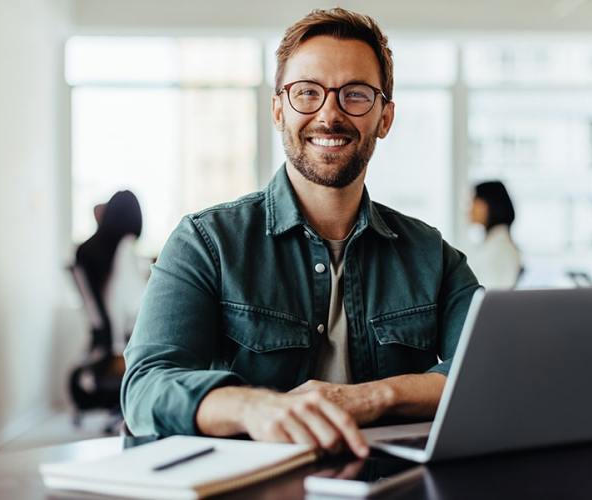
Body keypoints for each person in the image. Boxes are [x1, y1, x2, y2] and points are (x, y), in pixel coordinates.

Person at [121, 8, 480, 457]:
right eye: (307, 93)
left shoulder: (433, 256)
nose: (329, 114)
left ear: (384, 118)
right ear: (278, 110)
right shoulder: (206, 242)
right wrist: (254, 407)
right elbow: (146, 387)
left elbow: (487, 373)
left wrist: (371, 396)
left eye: (355, 95)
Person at [75, 190, 145, 355]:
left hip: (102, 343)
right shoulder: (125, 248)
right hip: (121, 345)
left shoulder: (86, 251)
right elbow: (132, 306)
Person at [468, 181, 522, 289]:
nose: (470, 209)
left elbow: (493, 294)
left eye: (474, 201)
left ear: (489, 204)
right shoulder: (493, 242)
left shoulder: (501, 248)